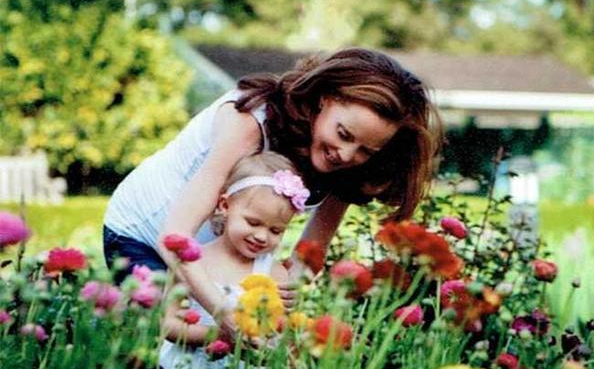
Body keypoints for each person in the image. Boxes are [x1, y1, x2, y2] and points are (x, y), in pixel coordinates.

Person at [103, 47, 443, 323]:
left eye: (367, 150)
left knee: (217, 353)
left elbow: (312, 248)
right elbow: (174, 235)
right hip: (146, 231)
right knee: (159, 338)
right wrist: (223, 312)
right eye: (343, 134)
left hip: (221, 250)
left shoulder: (347, 162)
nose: (347, 154)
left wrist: (288, 284)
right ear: (324, 98)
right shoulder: (251, 120)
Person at [159, 152, 307, 369]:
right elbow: (169, 325)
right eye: (253, 222)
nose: (261, 236)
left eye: (276, 231)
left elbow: (282, 335)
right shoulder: (193, 262)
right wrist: (219, 335)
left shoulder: (274, 273)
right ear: (225, 206)